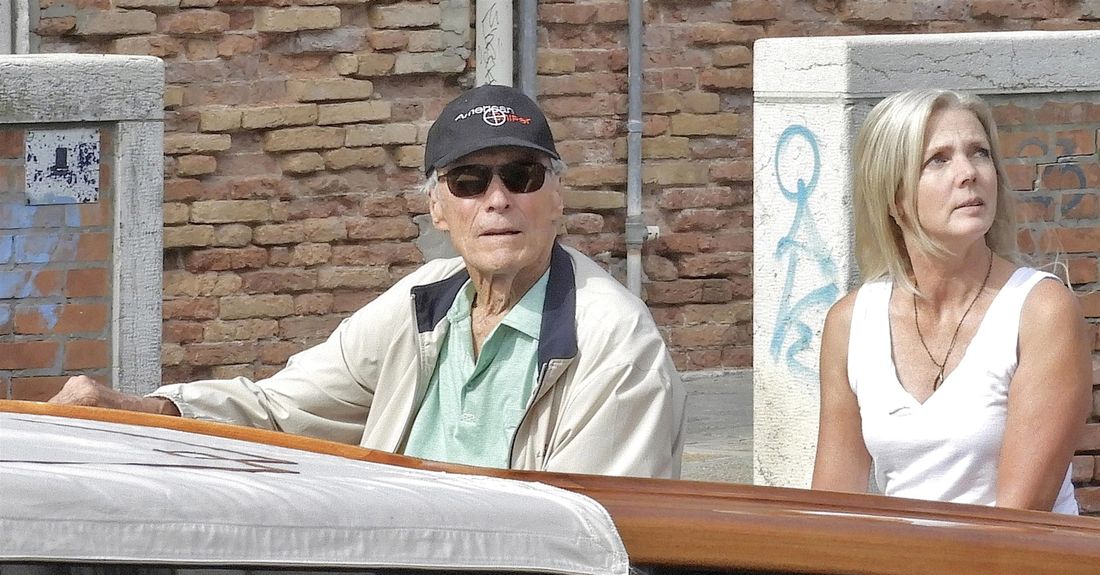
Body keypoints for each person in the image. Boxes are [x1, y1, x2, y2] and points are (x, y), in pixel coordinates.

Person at [51, 84, 685, 478]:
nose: (497, 200)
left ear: (556, 198)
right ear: (439, 208)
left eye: (520, 177)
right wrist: (143, 410)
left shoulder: (611, 339)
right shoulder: (425, 303)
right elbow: (279, 410)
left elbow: (589, 535)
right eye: (468, 183)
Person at [811, 89, 1091, 513]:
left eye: (979, 153)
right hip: (902, 570)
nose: (968, 173)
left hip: (1014, 570)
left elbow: (1018, 520)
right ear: (893, 195)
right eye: (938, 159)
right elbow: (831, 509)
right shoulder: (850, 322)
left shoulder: (1040, 310)